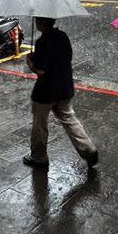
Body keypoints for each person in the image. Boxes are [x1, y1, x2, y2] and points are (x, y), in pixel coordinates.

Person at [24, 17, 98, 169]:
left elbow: (40, 71)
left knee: (40, 125)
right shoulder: (63, 36)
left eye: (38, 20)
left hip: (45, 92)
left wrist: (30, 61)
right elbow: (68, 59)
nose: (36, 23)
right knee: (69, 119)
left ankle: (39, 158)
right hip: (64, 88)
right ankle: (89, 150)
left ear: (43, 23)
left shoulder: (42, 42)